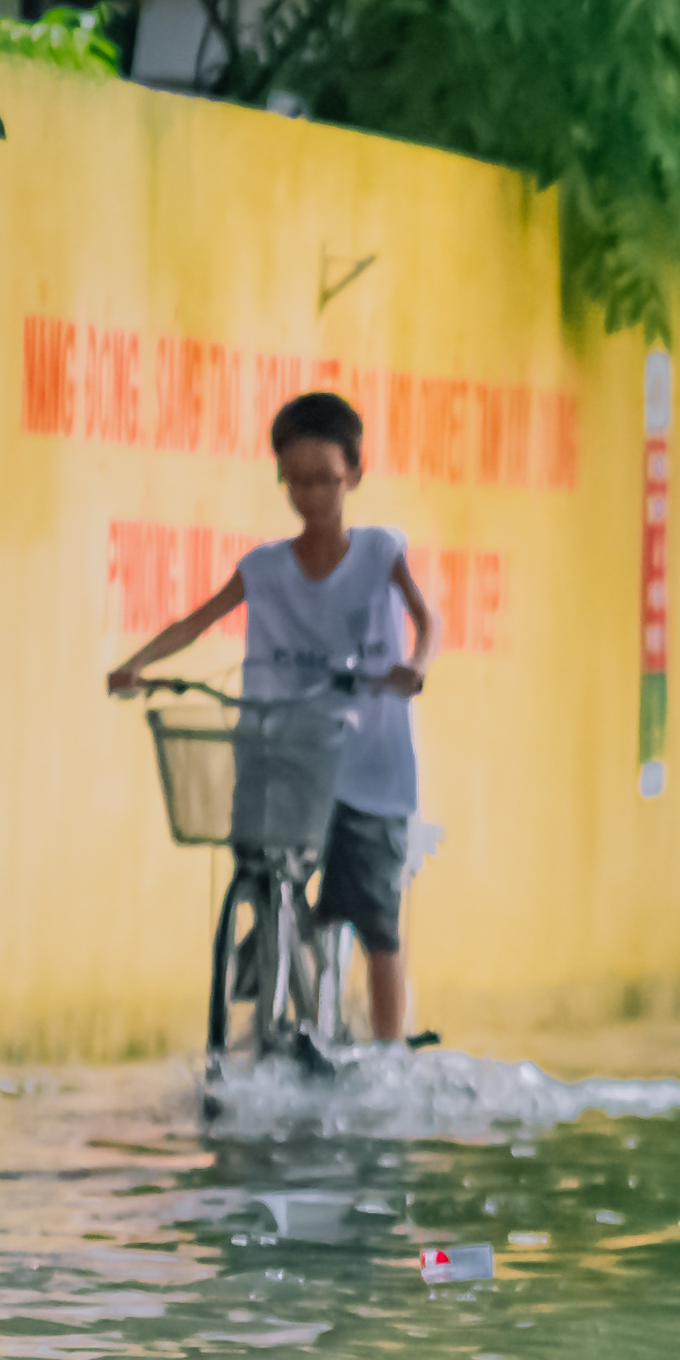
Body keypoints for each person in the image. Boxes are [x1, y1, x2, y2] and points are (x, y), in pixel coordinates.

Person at [105, 387, 435, 1044]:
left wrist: (415, 666)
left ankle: (390, 1054)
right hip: (284, 751)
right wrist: (135, 664)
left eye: (327, 481)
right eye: (297, 481)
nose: (311, 496)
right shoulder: (263, 569)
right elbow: (195, 621)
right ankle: (276, 992)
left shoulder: (378, 553)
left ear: (355, 476)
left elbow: (426, 621)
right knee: (264, 867)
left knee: (374, 913)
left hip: (369, 764)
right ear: (280, 475)